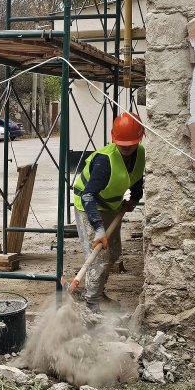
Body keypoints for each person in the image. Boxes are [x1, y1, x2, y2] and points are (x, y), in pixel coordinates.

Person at [71, 111, 145, 314]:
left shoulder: (141, 155)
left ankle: (98, 293)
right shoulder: (105, 160)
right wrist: (98, 228)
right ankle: (91, 305)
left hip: (111, 207)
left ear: (139, 139)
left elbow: (137, 178)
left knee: (113, 253)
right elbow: (88, 196)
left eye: (131, 144)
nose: (126, 148)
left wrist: (135, 197)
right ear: (114, 138)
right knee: (99, 258)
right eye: (122, 144)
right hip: (88, 206)